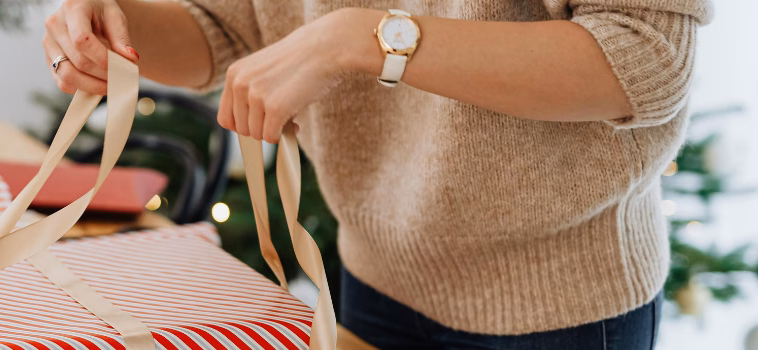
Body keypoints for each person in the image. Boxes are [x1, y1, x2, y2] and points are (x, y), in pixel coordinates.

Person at [42, 0, 710, 349]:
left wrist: (359, 40)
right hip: (371, 281)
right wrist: (115, 29)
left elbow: (645, 58)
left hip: (560, 313)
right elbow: (226, 25)